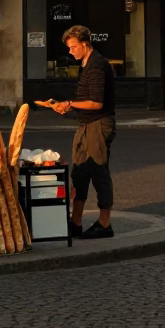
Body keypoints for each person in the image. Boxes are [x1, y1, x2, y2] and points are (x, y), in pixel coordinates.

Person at [52, 25, 116, 240]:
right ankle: (75, 222)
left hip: (99, 124)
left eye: (73, 47)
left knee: (99, 172)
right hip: (86, 124)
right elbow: (85, 101)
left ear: (85, 44)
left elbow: (96, 103)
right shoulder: (86, 65)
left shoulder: (97, 66)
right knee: (79, 172)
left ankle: (104, 224)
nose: (70, 52)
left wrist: (69, 104)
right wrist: (65, 108)